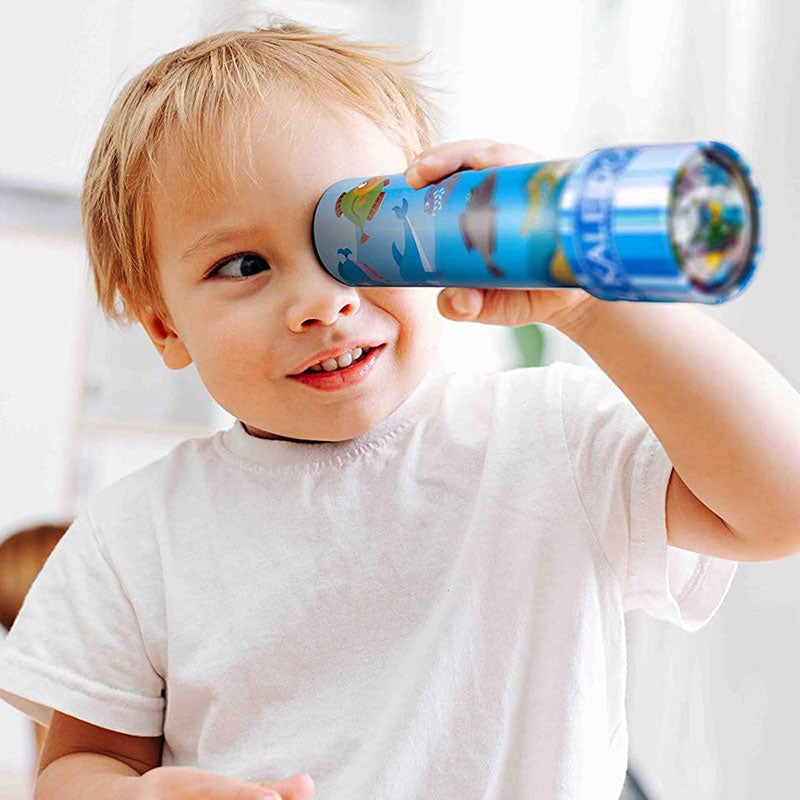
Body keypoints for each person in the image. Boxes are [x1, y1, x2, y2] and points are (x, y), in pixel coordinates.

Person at [2, 19, 799, 800]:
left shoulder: (546, 437)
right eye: (243, 264)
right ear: (165, 325)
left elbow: (781, 504)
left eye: (356, 235)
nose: (321, 302)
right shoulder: (135, 537)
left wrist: (592, 305)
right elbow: (77, 767)